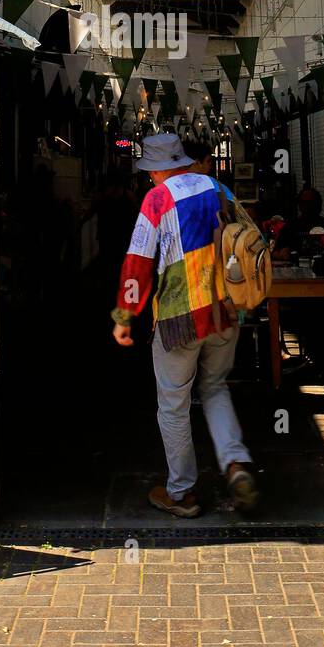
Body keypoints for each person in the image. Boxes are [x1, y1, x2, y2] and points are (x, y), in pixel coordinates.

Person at [111, 132, 260, 518]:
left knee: (174, 405)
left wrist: (125, 315)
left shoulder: (157, 199)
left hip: (180, 319)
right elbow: (251, 240)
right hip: (226, 312)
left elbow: (138, 263)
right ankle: (236, 464)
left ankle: (181, 493)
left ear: (159, 169)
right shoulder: (217, 188)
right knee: (215, 387)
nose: (149, 177)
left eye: (150, 170)